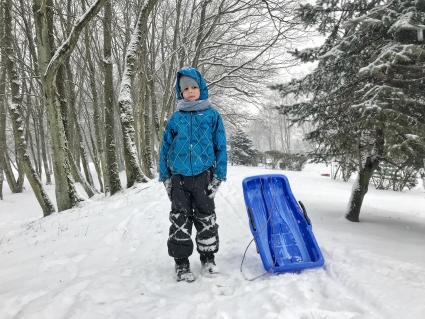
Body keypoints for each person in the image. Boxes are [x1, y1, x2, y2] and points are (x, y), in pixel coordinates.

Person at [159, 66, 227, 282]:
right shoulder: (176, 118)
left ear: (201, 88)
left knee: (206, 217)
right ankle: (181, 263)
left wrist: (219, 176)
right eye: (185, 88)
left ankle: (208, 258)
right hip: (178, 178)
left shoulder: (212, 116)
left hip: (203, 176)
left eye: (194, 87)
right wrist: (166, 177)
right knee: (180, 219)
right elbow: (165, 148)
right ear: (180, 92)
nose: (190, 91)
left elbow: (221, 147)